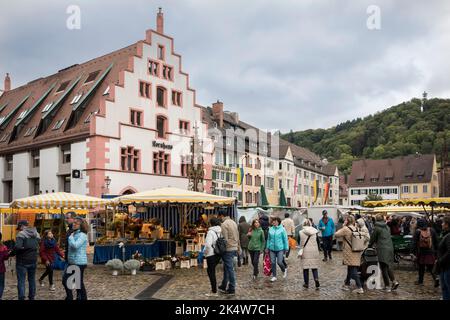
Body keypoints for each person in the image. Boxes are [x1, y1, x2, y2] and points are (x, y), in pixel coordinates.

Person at [369, 214, 399, 292]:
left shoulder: (377, 228)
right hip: (390, 248)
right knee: (387, 265)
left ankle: (387, 286)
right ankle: (394, 281)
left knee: (383, 267)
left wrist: (369, 246)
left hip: (382, 249)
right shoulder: (387, 227)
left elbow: (373, 238)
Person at [335, 215, 364, 294]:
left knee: (353, 269)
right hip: (356, 250)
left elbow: (336, 234)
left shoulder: (346, 229)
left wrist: (343, 225)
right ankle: (346, 284)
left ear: (347, 221)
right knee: (350, 267)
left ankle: (360, 287)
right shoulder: (356, 228)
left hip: (349, 251)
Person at [12, 220, 40, 300]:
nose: (20, 229)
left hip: (22, 261)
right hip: (33, 260)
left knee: (21, 281)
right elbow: (37, 246)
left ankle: (21, 298)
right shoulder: (37, 234)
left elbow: (17, 247)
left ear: (21, 226)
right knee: (32, 280)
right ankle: (32, 297)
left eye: (19, 227)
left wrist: (11, 253)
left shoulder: (21, 234)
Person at [62, 217, 88, 300]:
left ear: (81, 225)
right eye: (73, 222)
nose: (73, 224)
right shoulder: (74, 234)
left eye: (76, 223)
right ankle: (72, 297)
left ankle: (74, 297)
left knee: (77, 283)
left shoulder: (82, 235)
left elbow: (76, 246)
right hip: (72, 261)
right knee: (70, 281)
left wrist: (71, 237)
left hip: (78, 263)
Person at [218, 211, 240, 295]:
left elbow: (225, 239)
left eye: (219, 216)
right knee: (227, 268)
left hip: (228, 248)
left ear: (222, 215)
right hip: (234, 247)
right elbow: (237, 236)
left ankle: (232, 288)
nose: (219, 218)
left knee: (230, 268)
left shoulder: (224, 224)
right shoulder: (234, 222)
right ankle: (224, 285)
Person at [412, 218, 439, 287]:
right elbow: (436, 241)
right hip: (430, 251)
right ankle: (435, 278)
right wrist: (436, 252)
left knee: (421, 267)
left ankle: (420, 281)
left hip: (421, 252)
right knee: (431, 267)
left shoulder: (418, 231)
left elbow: (414, 243)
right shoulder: (432, 230)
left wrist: (413, 253)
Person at [298, 219, 320, 289]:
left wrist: (301, 248)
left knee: (305, 268)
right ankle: (316, 279)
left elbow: (300, 242)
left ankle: (306, 283)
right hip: (314, 250)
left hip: (306, 250)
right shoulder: (314, 231)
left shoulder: (301, 232)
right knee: (314, 266)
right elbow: (317, 241)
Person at [266, 217, 288, 282]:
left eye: (275, 221)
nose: (274, 222)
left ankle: (284, 270)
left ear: (278, 222)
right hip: (272, 248)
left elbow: (285, 239)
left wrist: (286, 248)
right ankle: (274, 276)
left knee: (279, 262)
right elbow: (268, 239)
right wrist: (267, 247)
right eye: (273, 221)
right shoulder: (270, 229)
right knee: (272, 262)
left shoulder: (282, 229)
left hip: (280, 248)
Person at [204, 217, 222, 297]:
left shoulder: (210, 232)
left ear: (211, 223)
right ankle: (214, 289)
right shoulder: (220, 231)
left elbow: (208, 245)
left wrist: (205, 253)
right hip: (218, 254)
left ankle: (214, 291)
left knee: (211, 272)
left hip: (211, 254)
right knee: (211, 271)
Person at [436, 216, 450, 300]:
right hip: (444, 267)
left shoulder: (448, 236)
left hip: (447, 267)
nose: (441, 224)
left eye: (443, 222)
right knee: (445, 288)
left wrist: (440, 260)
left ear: (447, 224)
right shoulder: (445, 234)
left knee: (447, 288)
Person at [0, 232, 10, 300]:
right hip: (1, 268)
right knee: (1, 284)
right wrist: (8, 253)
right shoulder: (3, 247)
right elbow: (6, 257)